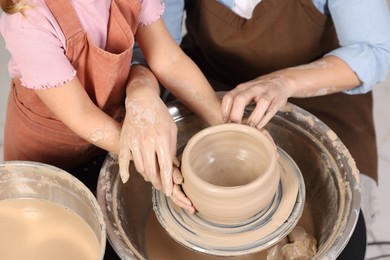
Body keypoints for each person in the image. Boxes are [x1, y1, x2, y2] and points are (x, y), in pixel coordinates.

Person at [146, 0, 390, 225]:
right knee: (155, 182)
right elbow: (156, 47)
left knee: (345, 209)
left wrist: (284, 82)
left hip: (318, 89)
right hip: (209, 85)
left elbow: (375, 51)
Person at [0, 0, 223, 199]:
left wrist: (222, 122)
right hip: (49, 146)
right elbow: (81, 114)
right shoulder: (27, 20)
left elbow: (169, 60)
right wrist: (157, 160)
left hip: (110, 124)